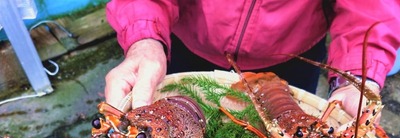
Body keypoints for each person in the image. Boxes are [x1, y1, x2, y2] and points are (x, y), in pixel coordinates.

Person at [104, 0, 400, 118]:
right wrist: (143, 37)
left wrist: (358, 76)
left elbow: (373, 7)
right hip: (189, 42)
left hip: (292, 54)